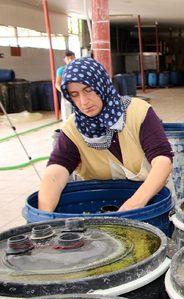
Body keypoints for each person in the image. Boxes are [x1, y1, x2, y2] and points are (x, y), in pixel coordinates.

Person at [38, 57, 174, 212]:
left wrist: (134, 205)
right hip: (100, 205)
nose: (83, 102)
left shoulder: (138, 112)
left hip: (150, 201)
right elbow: (57, 169)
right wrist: (44, 217)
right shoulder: (73, 128)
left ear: (101, 84)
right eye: (74, 94)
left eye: (88, 90)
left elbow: (163, 160)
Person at [56, 51, 76, 120]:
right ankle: (67, 129)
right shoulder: (61, 70)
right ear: (64, 60)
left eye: (72, 58)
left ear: (75, 58)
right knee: (67, 113)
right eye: (68, 59)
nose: (70, 60)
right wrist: (63, 91)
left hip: (77, 92)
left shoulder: (78, 68)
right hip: (66, 92)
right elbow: (57, 84)